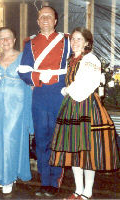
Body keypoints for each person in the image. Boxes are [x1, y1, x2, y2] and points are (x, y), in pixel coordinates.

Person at [49, 27, 119, 200]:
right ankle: (78, 190)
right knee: (74, 150)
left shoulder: (90, 59)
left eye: (79, 39)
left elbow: (86, 84)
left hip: (86, 107)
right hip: (72, 108)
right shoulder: (72, 59)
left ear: (87, 42)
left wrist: (66, 90)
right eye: (73, 39)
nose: (74, 42)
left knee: (87, 151)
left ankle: (87, 192)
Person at [17, 6, 72, 197]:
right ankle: (44, 180)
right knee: (41, 140)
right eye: (42, 17)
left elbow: (75, 66)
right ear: (38, 21)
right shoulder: (29, 43)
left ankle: (55, 181)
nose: (46, 19)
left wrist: (66, 85)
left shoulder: (67, 41)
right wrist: (38, 78)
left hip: (60, 94)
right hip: (39, 94)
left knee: (58, 139)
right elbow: (23, 71)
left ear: (55, 20)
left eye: (49, 16)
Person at [0, 27, 33, 194]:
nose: (5, 41)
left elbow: (32, 82)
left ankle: (8, 176)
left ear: (14, 39)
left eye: (8, 38)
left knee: (11, 138)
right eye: (1, 38)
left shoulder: (24, 57)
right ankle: (0, 172)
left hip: (17, 105)